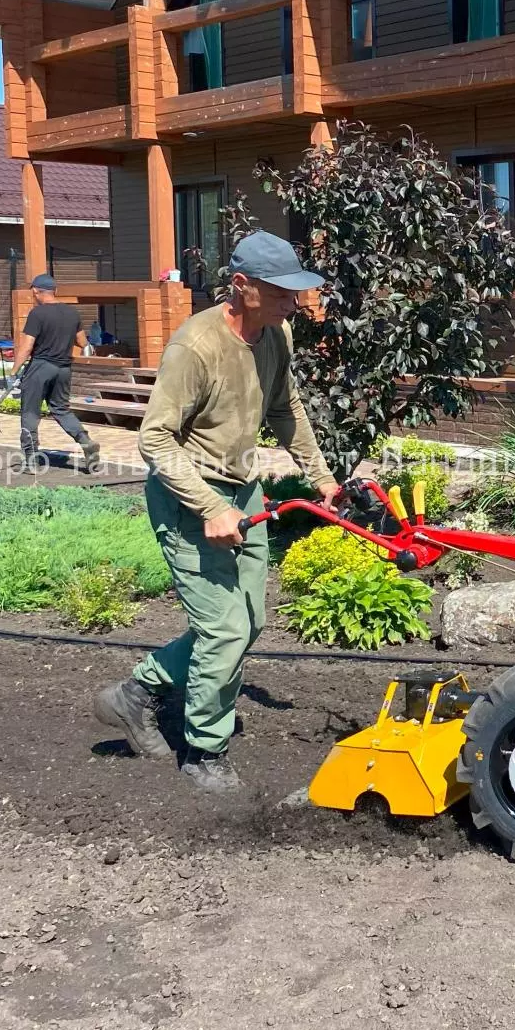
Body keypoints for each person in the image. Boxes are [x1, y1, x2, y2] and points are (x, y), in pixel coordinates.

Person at [93, 231, 340, 792]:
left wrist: (321, 476)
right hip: (189, 495)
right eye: (279, 292)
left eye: (295, 292)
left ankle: (138, 693)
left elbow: (285, 407)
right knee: (224, 630)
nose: (293, 303)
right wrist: (209, 506)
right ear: (241, 286)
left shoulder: (277, 332)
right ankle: (205, 751)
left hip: (242, 488)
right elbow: (155, 440)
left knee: (249, 621)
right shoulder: (195, 347)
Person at [12, 273, 100, 472]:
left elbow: (26, 347)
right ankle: (85, 441)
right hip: (63, 369)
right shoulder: (72, 313)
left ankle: (31, 461)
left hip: (41, 367)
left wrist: (13, 372)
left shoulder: (37, 314)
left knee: (30, 412)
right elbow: (83, 342)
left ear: (36, 291)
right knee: (61, 409)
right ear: (55, 291)